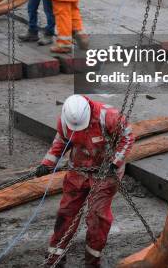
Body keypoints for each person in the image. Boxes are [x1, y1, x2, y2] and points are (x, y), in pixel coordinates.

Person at [35, 94, 134, 267]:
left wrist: (114, 163)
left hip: (105, 174)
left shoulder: (109, 116)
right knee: (66, 212)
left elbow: (127, 138)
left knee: (97, 216)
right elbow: (60, 143)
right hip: (78, 170)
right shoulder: (66, 122)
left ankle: (92, 261)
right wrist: (47, 163)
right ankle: (54, 258)